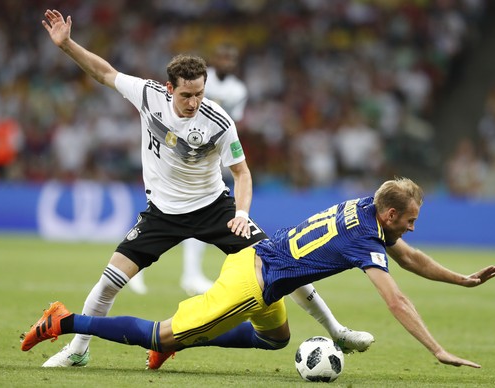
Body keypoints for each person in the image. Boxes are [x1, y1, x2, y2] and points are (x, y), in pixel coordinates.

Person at [38, 9, 372, 368]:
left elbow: (242, 174)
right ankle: (77, 351)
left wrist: (241, 214)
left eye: (199, 93)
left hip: (215, 209)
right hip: (162, 214)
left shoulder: (218, 121)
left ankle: (336, 330)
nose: (194, 102)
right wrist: (68, 44)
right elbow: (103, 72)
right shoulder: (147, 95)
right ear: (169, 88)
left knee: (281, 264)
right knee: (108, 283)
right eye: (186, 95)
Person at [21, 177, 495, 371]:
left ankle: (175, 343)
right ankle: (64, 321)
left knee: (274, 340)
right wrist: (437, 350)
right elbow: (396, 301)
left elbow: (411, 258)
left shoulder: (365, 209)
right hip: (251, 280)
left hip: (265, 265)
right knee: (159, 334)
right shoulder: (365, 238)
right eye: (410, 219)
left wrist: (462, 280)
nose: (414, 226)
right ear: (391, 215)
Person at [129, 42, 250, 296]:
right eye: (224, 56)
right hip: (178, 149)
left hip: (210, 148)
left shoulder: (239, 90)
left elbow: (231, 122)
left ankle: (191, 274)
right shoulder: (201, 80)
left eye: (232, 58)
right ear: (216, 59)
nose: (227, 62)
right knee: (160, 213)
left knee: (200, 208)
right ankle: (138, 270)